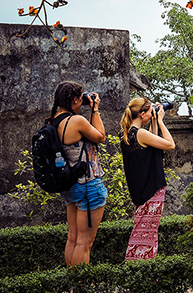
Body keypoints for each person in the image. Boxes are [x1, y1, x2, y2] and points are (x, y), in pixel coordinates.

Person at [50, 81, 107, 266]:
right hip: (88, 184)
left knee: (73, 239)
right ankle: (80, 287)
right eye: (80, 97)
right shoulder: (76, 121)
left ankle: (72, 285)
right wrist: (95, 110)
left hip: (71, 186)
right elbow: (100, 136)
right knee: (85, 242)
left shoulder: (53, 120)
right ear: (75, 100)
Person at [119, 97, 175, 260]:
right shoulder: (140, 134)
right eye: (150, 112)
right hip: (151, 190)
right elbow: (170, 145)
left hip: (140, 191)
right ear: (142, 114)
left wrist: (155, 122)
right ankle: (137, 268)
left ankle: (146, 269)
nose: (152, 115)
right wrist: (161, 122)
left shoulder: (127, 133)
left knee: (145, 233)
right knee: (145, 234)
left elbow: (151, 146)